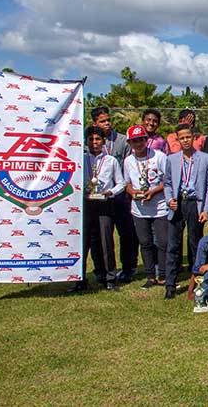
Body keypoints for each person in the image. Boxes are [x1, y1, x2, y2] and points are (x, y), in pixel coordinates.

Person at [163, 123, 208, 300]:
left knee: (196, 245)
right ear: (177, 139)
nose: (185, 140)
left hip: (195, 204)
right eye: (181, 137)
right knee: (173, 245)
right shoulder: (171, 159)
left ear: (194, 137)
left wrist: (207, 210)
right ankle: (170, 284)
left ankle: (198, 282)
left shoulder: (205, 158)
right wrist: (170, 198)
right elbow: (168, 183)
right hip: (178, 203)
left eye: (188, 137)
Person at [71, 127, 126, 293]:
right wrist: (83, 193)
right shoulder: (80, 160)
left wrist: (110, 192)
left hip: (105, 204)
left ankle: (110, 278)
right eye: (91, 139)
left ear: (103, 141)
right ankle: (79, 279)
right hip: (85, 205)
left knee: (106, 241)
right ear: (87, 141)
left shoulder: (111, 161)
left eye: (97, 139)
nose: (94, 143)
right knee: (83, 243)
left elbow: (121, 183)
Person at [91, 106, 136, 282]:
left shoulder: (122, 141)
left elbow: (129, 167)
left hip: (120, 196)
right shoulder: (90, 142)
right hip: (97, 200)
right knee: (100, 236)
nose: (107, 123)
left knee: (126, 233)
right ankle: (101, 271)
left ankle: (128, 268)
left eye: (108, 120)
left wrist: (125, 189)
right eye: (102, 121)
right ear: (95, 123)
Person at [124, 124, 169, 289]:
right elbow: (126, 183)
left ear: (147, 140)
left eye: (141, 140)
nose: (138, 144)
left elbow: (168, 180)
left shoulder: (159, 156)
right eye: (134, 141)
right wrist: (132, 192)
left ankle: (163, 275)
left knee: (163, 242)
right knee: (145, 242)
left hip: (160, 206)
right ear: (130, 143)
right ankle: (151, 276)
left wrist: (154, 191)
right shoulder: (128, 161)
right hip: (139, 208)